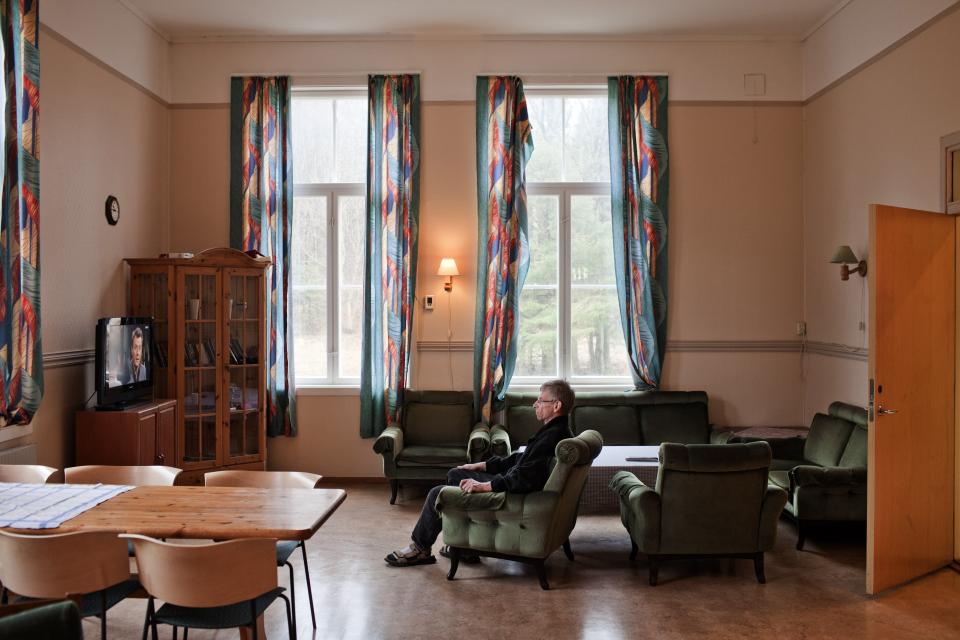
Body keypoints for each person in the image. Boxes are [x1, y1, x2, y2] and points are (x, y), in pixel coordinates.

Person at [385, 379, 575, 567]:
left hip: (513, 497)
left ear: (556, 405)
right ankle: (464, 547)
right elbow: (520, 460)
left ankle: (420, 548)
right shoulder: (555, 431)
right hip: (513, 487)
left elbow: (523, 479)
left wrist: (483, 486)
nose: (535, 404)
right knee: (456, 474)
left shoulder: (552, 437)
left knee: (437, 493)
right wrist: (482, 465)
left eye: (541, 400)